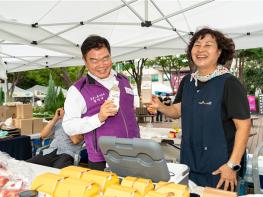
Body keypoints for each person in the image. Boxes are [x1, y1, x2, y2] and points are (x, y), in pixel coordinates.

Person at [147, 28, 251, 190]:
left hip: (219, 169)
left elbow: (244, 127)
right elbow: (177, 111)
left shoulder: (229, 83)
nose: (201, 49)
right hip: (189, 164)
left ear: (219, 52)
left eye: (208, 45)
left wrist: (232, 165)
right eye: (197, 45)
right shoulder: (188, 81)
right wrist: (160, 106)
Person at [62, 35, 140, 171]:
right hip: (103, 159)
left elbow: (129, 112)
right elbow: (69, 127)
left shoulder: (123, 80)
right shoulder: (77, 90)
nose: (101, 65)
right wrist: (99, 117)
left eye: (105, 58)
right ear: (85, 61)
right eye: (94, 60)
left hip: (134, 151)